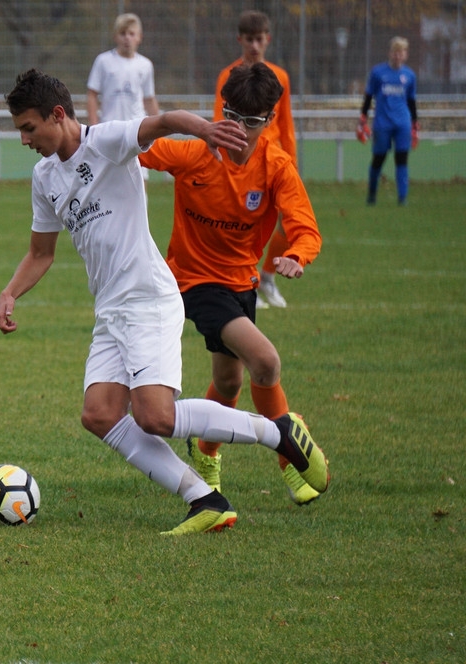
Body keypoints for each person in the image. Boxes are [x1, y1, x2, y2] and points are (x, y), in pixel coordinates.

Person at [0, 69, 329, 535]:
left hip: (149, 296)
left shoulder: (106, 142)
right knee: (99, 414)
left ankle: (279, 433)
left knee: (155, 416)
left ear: (57, 115)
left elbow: (161, 121)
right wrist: (11, 292)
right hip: (110, 308)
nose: (24, 139)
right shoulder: (44, 177)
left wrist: (206, 129)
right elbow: (40, 252)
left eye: (28, 128)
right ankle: (205, 499)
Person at [140, 63, 323, 506]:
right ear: (220, 110)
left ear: (270, 119)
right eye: (232, 116)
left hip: (242, 282)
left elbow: (305, 227)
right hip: (194, 282)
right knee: (266, 361)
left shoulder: (275, 167)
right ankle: (291, 459)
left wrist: (296, 256)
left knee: (226, 382)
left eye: (252, 121)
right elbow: (131, 146)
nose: (240, 129)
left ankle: (204, 454)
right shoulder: (193, 154)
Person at [214, 10, 294, 309]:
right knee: (242, 225)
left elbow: (286, 124)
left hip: (272, 164)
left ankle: (268, 278)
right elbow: (218, 116)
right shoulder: (228, 75)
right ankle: (246, 280)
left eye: (259, 39)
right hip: (239, 162)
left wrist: (292, 162)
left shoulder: (280, 77)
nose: (254, 46)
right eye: (249, 39)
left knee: (286, 223)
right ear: (240, 40)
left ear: (267, 40)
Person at [358, 36, 418, 206]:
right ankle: (371, 195)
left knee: (402, 159)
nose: (397, 56)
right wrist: (363, 117)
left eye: (401, 52)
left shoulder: (409, 76)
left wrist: (415, 123)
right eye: (395, 52)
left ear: (405, 55)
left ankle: (402, 198)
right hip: (382, 124)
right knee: (379, 158)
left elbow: (411, 101)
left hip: (402, 124)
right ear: (390, 53)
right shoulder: (378, 73)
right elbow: (369, 96)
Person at [86, 13, 160, 125]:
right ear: (115, 36)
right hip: (109, 126)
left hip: (136, 129)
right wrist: (94, 127)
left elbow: (149, 99)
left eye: (131, 34)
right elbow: (92, 95)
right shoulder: (103, 61)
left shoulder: (145, 65)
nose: (127, 38)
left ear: (140, 37)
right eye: (123, 33)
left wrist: (158, 129)